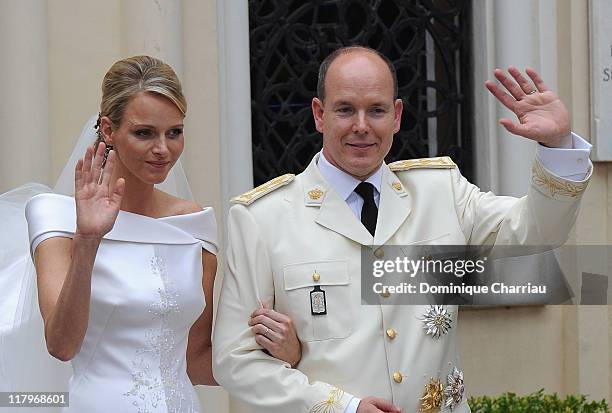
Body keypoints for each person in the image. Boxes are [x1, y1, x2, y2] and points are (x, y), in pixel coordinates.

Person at [212, 46, 592, 413]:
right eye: (345, 109)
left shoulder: (441, 192)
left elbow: (535, 234)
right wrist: (342, 408)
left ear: (396, 116)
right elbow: (236, 360)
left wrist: (556, 146)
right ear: (319, 114)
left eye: (376, 110)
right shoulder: (263, 218)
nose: (361, 126)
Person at [0, 55, 301, 413]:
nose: (163, 149)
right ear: (109, 130)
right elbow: (62, 345)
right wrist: (88, 240)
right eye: (144, 133)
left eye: (174, 132)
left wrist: (279, 356)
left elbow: (196, 360)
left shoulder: (195, 224)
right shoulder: (55, 216)